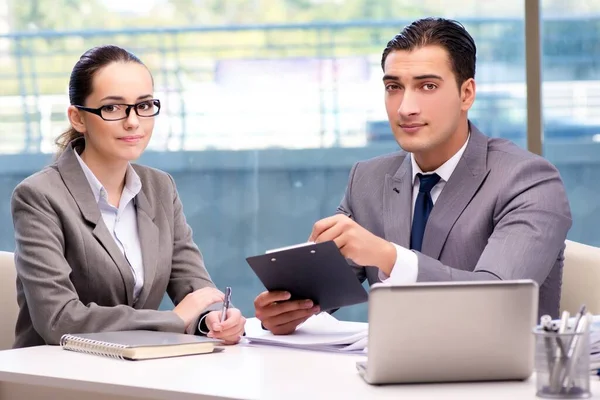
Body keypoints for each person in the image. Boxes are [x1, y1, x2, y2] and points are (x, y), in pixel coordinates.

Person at [254, 17, 572, 334]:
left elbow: (499, 300)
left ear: (467, 94)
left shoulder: (529, 180)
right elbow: (321, 293)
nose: (406, 107)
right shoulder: (368, 179)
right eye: (394, 87)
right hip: (387, 373)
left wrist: (388, 256)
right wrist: (286, 310)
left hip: (497, 376)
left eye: (427, 86)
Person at [11, 45, 246, 348]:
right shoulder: (39, 196)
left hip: (139, 368)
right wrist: (172, 320)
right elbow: (59, 319)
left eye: (144, 105)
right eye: (112, 108)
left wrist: (214, 317)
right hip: (59, 375)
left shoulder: (160, 187)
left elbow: (194, 286)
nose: (133, 121)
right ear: (78, 118)